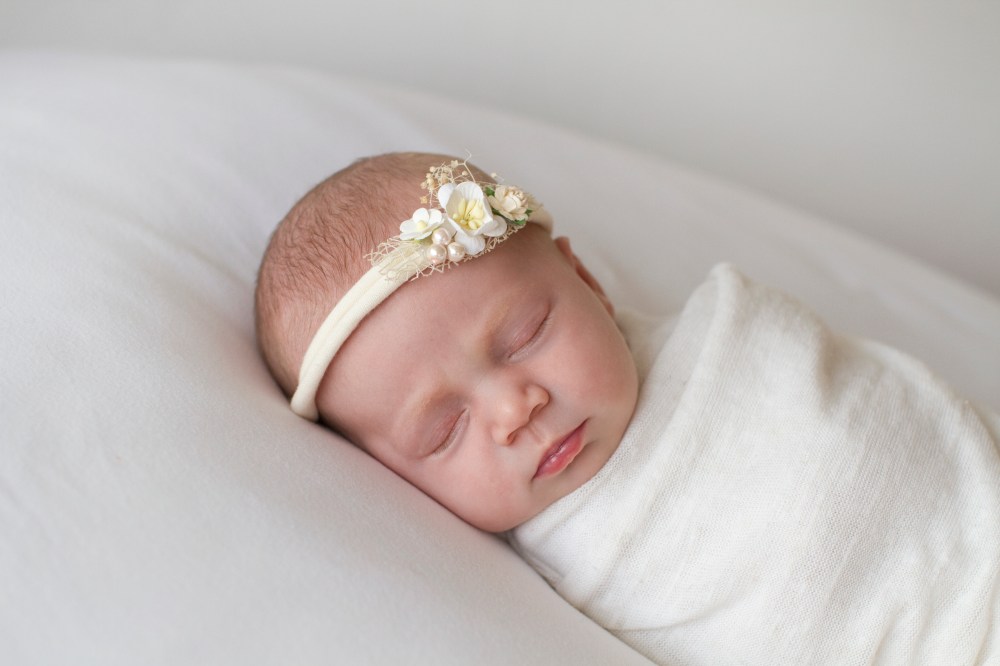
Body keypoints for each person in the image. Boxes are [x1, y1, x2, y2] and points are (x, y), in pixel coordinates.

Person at [255, 151, 1000, 665]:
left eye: (524, 336)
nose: (516, 408)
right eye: (444, 430)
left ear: (586, 279)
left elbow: (875, 426)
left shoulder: (728, 344)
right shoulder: (531, 598)